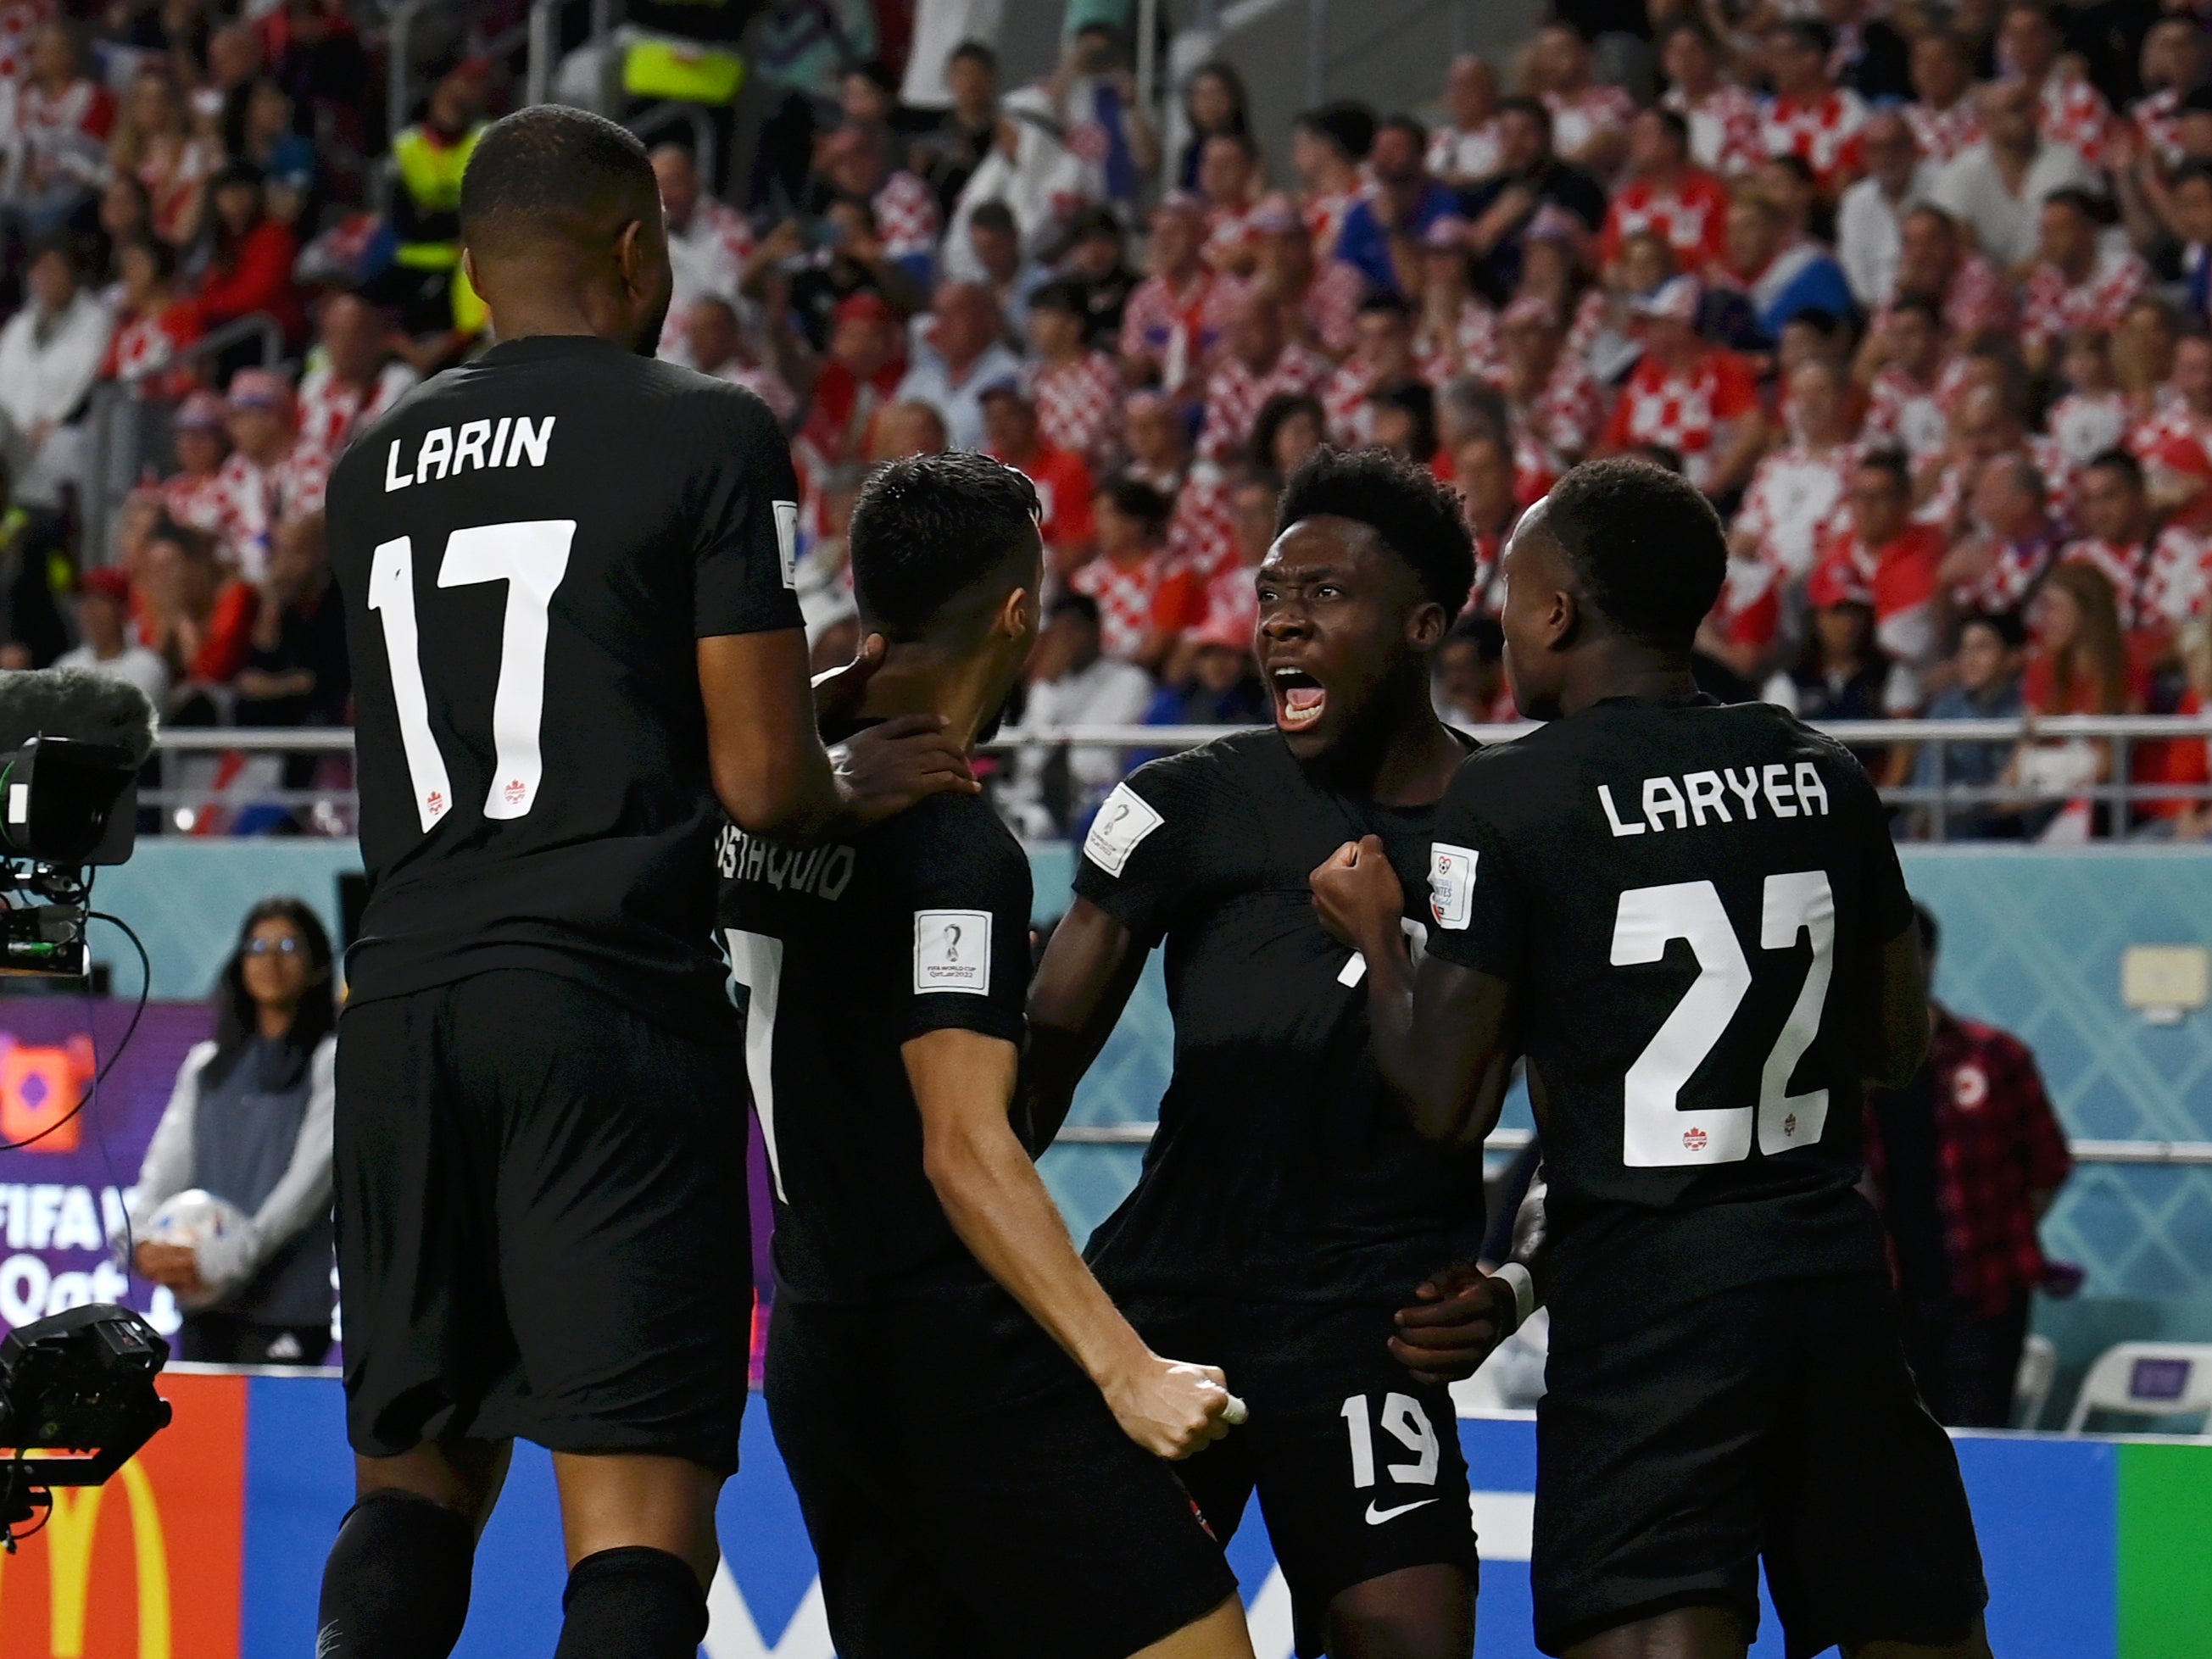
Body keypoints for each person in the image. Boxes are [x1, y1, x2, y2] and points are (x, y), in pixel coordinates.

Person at [315, 105, 971, 1659]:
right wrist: (842, 769)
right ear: (633, 246)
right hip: (600, 1004)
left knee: (408, 1486)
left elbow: (550, 704)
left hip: (402, 1005)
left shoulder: (367, 457)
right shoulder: (704, 425)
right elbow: (756, 783)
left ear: (475, 271)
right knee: (634, 1520)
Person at [1309, 458, 1992, 1659]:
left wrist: (1377, 938)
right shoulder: (1823, 771)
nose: (1503, 625)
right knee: (1914, 1627)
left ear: (1558, 611)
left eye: (1514, 597)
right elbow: (1894, 1045)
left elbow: (1446, 1101)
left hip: (1652, 1312)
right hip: (1829, 1277)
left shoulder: (1510, 796)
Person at [726, 453, 1256, 1659]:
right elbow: (965, 1146)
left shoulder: (761, 791)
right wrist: (1126, 1370)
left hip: (818, 1335)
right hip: (952, 1350)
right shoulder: (951, 843)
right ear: (1018, 614)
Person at [1030, 448, 1517, 1659]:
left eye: (1325, 596)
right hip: (1165, 1315)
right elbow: (1026, 1074)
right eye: (1270, 595)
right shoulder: (1181, 803)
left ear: (1422, 623)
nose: (1282, 625)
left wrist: (1520, 1282)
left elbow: (1591, 1110)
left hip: (1371, 1329)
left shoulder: (1516, 819)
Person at [1864, 904, 2072, 1426]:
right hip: (1876, 1305)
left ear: (1929, 962)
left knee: (1977, 1455)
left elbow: (2047, 1166)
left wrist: (1999, 1236)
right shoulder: (1835, 1070)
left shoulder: (1994, 1057)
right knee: (1889, 1454)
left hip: (1984, 1296)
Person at [125, 898, 337, 1366]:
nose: (271, 960)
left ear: (318, 965)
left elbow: (306, 1189)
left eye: (288, 946)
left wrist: (227, 1258)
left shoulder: (330, 1062)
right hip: (206, 1303)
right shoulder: (206, 1066)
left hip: (290, 1307)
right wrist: (139, 1242)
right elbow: (164, 1170)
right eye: (257, 946)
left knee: (275, 1437)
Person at [1911, 611, 2029, 840]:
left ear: (2013, 657)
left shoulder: (2027, 708)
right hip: (1952, 822)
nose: (1969, 658)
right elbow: (1924, 787)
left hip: (2013, 823)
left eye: (1982, 648)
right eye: (1964, 649)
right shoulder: (1945, 710)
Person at [57, 566, 169, 705]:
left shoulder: (147, 666)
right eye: (84, 601)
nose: (89, 612)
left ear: (122, 610)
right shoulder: (67, 666)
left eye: (99, 602)